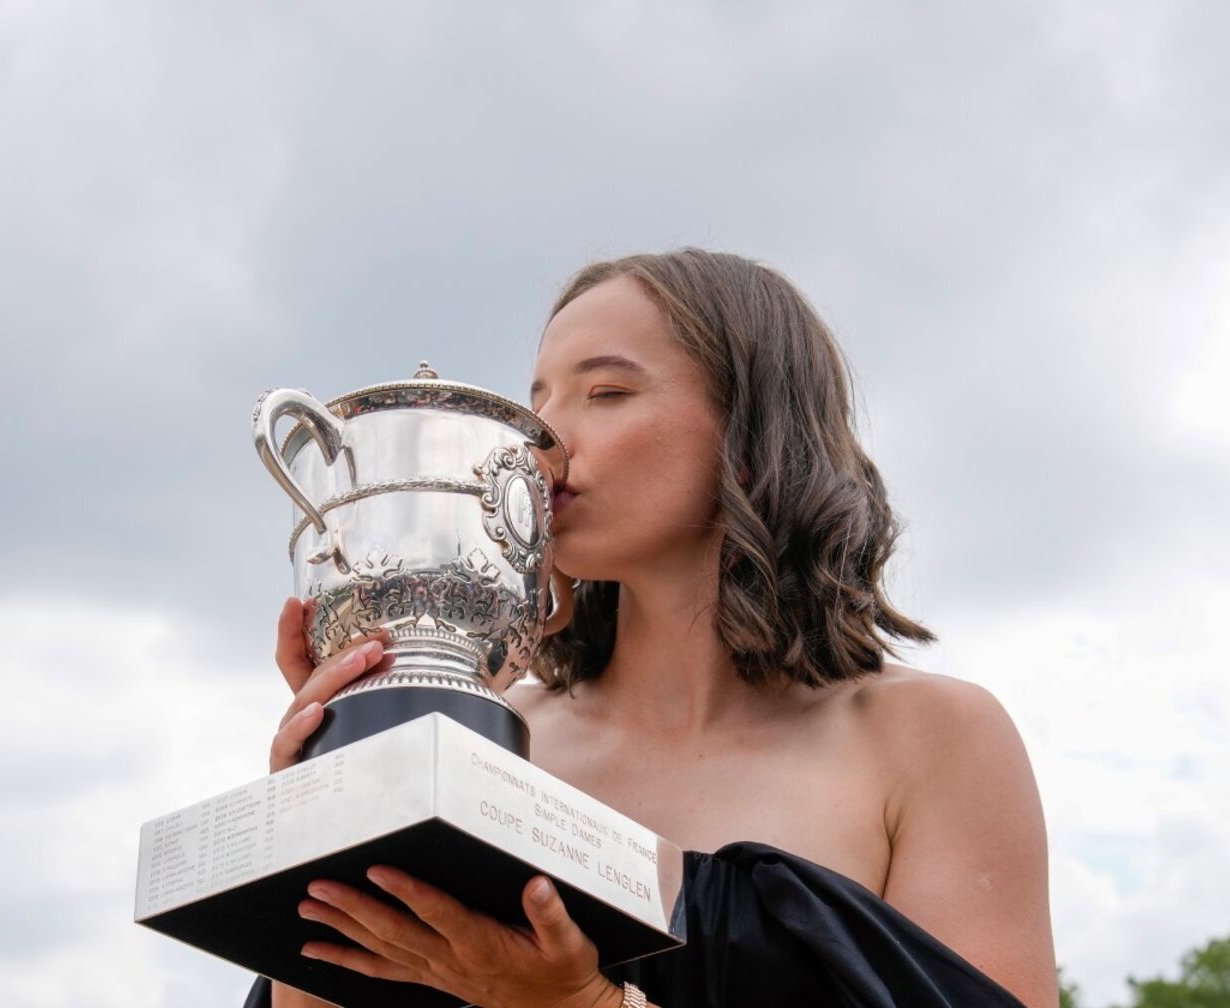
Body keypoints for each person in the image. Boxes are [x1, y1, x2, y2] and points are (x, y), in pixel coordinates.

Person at [253, 249, 1056, 1007]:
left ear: (753, 436)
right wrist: (330, 811)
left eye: (605, 393)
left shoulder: (932, 740)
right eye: (538, 401)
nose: (541, 444)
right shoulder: (482, 741)